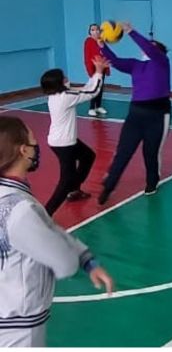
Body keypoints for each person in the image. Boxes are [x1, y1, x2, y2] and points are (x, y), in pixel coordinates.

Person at [0, 115, 113, 347]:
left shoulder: (14, 199)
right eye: (33, 142)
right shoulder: (21, 210)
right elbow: (64, 263)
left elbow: (47, 229)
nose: (36, 147)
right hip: (17, 328)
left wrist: (87, 260)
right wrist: (78, 259)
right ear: (23, 150)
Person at [98, 23, 171, 205]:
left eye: (152, 45)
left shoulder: (162, 62)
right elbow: (115, 61)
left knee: (150, 152)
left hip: (158, 115)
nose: (147, 47)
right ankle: (109, 186)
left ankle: (152, 181)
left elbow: (150, 49)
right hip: (135, 114)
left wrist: (131, 32)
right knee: (123, 151)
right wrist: (102, 45)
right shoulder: (135, 65)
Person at [40, 57, 107, 216]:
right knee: (66, 181)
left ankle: (74, 190)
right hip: (64, 144)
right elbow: (92, 92)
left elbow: (85, 89)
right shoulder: (66, 97)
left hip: (63, 141)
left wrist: (96, 74)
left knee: (88, 156)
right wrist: (99, 72)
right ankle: (46, 213)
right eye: (63, 77)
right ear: (59, 83)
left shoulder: (56, 95)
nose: (67, 78)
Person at [84, 24, 110, 117]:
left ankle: (98, 106)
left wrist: (107, 68)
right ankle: (91, 108)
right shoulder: (88, 41)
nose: (95, 31)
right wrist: (90, 71)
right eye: (93, 30)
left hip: (102, 67)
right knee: (94, 88)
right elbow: (87, 57)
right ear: (90, 32)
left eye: (97, 29)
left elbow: (106, 54)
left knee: (100, 88)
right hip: (94, 68)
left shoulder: (101, 41)